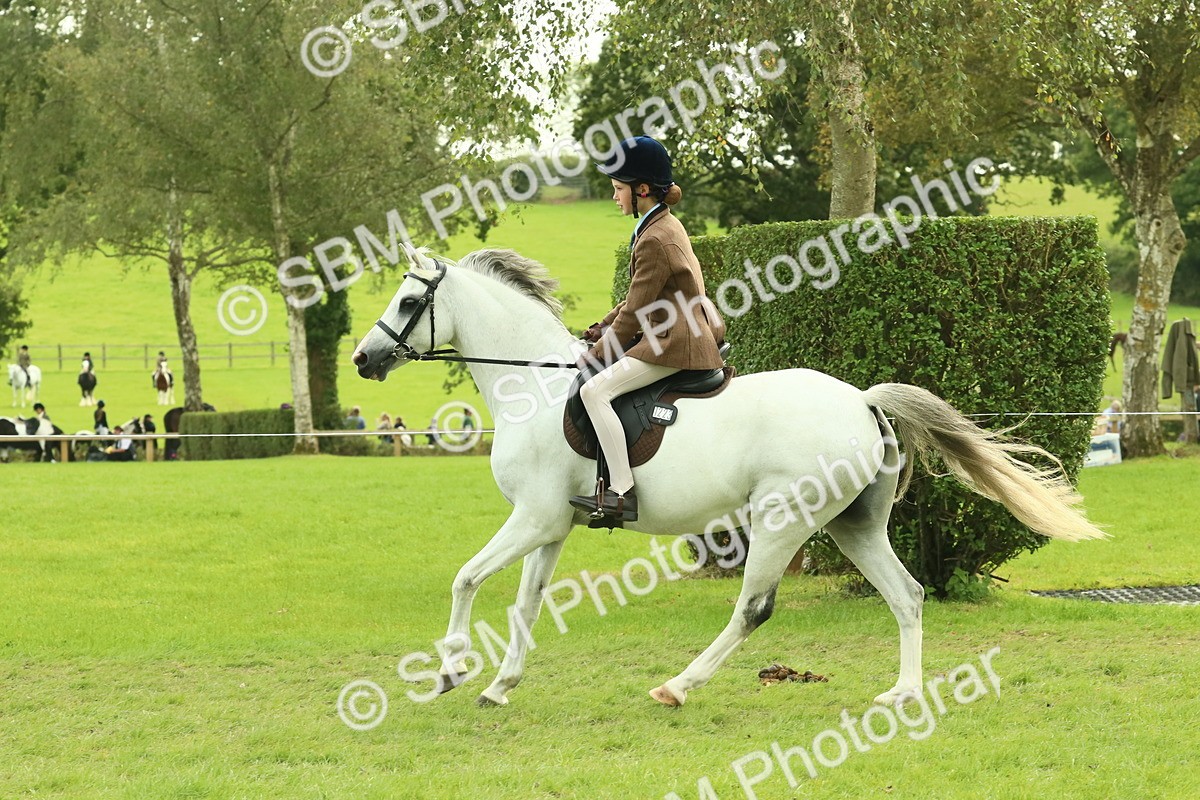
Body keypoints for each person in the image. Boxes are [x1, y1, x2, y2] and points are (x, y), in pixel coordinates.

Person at [568, 137, 726, 523]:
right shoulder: (659, 225)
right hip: (672, 335)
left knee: (594, 391)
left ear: (641, 190)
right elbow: (640, 292)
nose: (614, 196)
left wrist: (598, 353)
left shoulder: (655, 237)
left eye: (618, 189)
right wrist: (602, 325)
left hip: (676, 345)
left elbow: (637, 309)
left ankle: (621, 493)